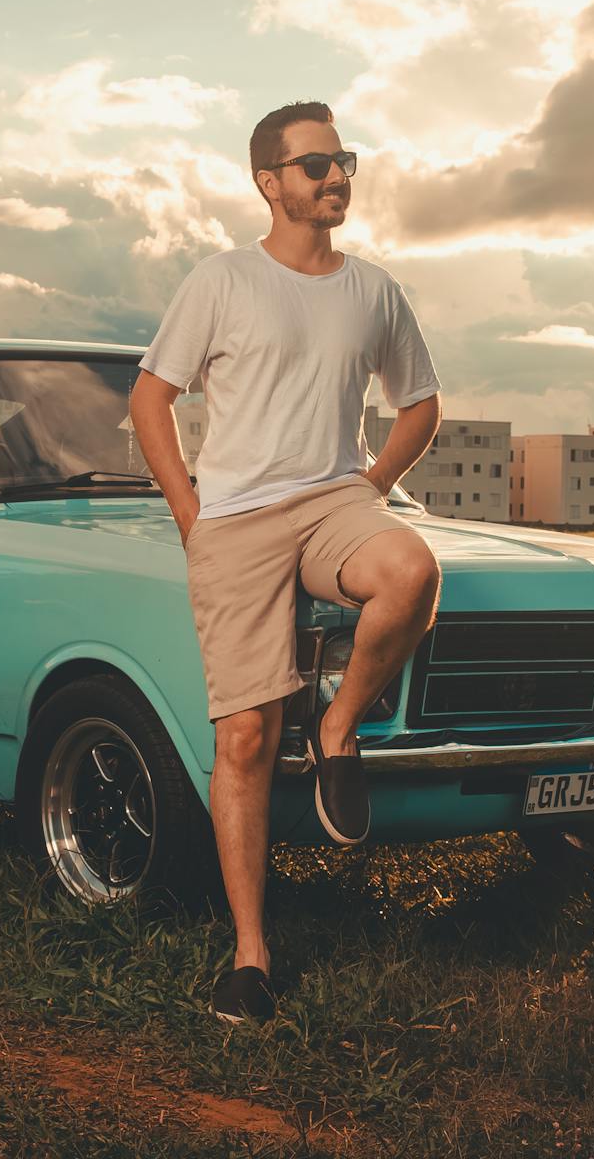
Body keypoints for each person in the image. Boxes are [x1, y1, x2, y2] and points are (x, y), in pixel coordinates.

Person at [128, 100, 444, 1025]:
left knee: (413, 574)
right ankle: (252, 957)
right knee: (246, 740)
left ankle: (339, 731)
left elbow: (420, 404)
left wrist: (373, 483)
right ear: (269, 183)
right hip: (234, 520)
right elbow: (151, 401)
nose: (337, 176)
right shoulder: (222, 281)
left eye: (344, 160)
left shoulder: (374, 290)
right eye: (317, 166)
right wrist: (192, 516)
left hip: (335, 504)